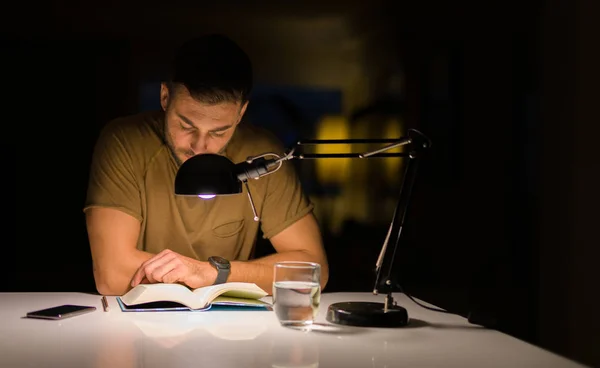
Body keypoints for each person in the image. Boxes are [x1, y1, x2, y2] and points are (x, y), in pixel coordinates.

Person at [84, 34, 329, 296]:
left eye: (219, 132)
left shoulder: (261, 157)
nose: (200, 147)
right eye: (186, 125)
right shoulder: (125, 141)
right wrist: (206, 277)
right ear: (165, 97)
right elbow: (112, 274)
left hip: (232, 327)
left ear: (241, 113)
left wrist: (212, 272)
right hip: (141, 325)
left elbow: (313, 273)